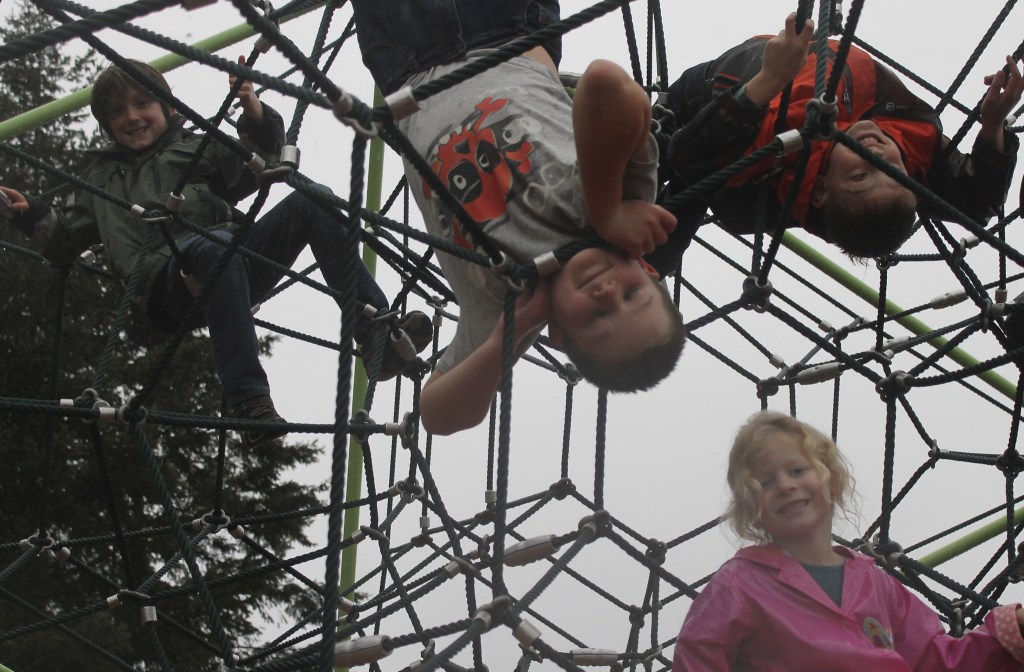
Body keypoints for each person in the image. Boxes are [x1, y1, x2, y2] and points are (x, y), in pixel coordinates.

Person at [0, 59, 431, 447]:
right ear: (107, 125)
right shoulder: (99, 177)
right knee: (215, 247)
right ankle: (249, 400)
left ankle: (376, 334)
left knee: (312, 200)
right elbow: (63, 240)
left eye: (142, 103)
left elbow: (258, 164)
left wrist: (254, 111)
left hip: (232, 263)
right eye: (117, 112)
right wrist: (32, 213)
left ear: (168, 108)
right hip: (162, 288)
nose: (131, 117)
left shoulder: (193, 147)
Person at [351, 0, 687, 436]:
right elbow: (606, 83)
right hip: (505, 27)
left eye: (597, 318)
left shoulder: (501, 308)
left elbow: (437, 415)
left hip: (408, 62)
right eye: (631, 293)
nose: (607, 291)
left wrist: (503, 341)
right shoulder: (620, 209)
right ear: (645, 268)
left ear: (559, 336)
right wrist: (608, 213)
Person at [647, 13, 1022, 275]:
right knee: (692, 191)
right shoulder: (912, 154)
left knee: (670, 177)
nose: (878, 156)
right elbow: (977, 203)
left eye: (860, 175)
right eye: (895, 173)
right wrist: (991, 127)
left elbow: (690, 160)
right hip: (728, 97)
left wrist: (772, 77)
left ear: (824, 190)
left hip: (725, 105)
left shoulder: (786, 131)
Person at [672, 410, 1024, 671]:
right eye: (765, 483)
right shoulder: (741, 585)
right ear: (753, 508)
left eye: (797, 471)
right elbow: (699, 654)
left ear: (832, 482)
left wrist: (1011, 633)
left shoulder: (875, 583)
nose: (784, 485)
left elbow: (935, 658)